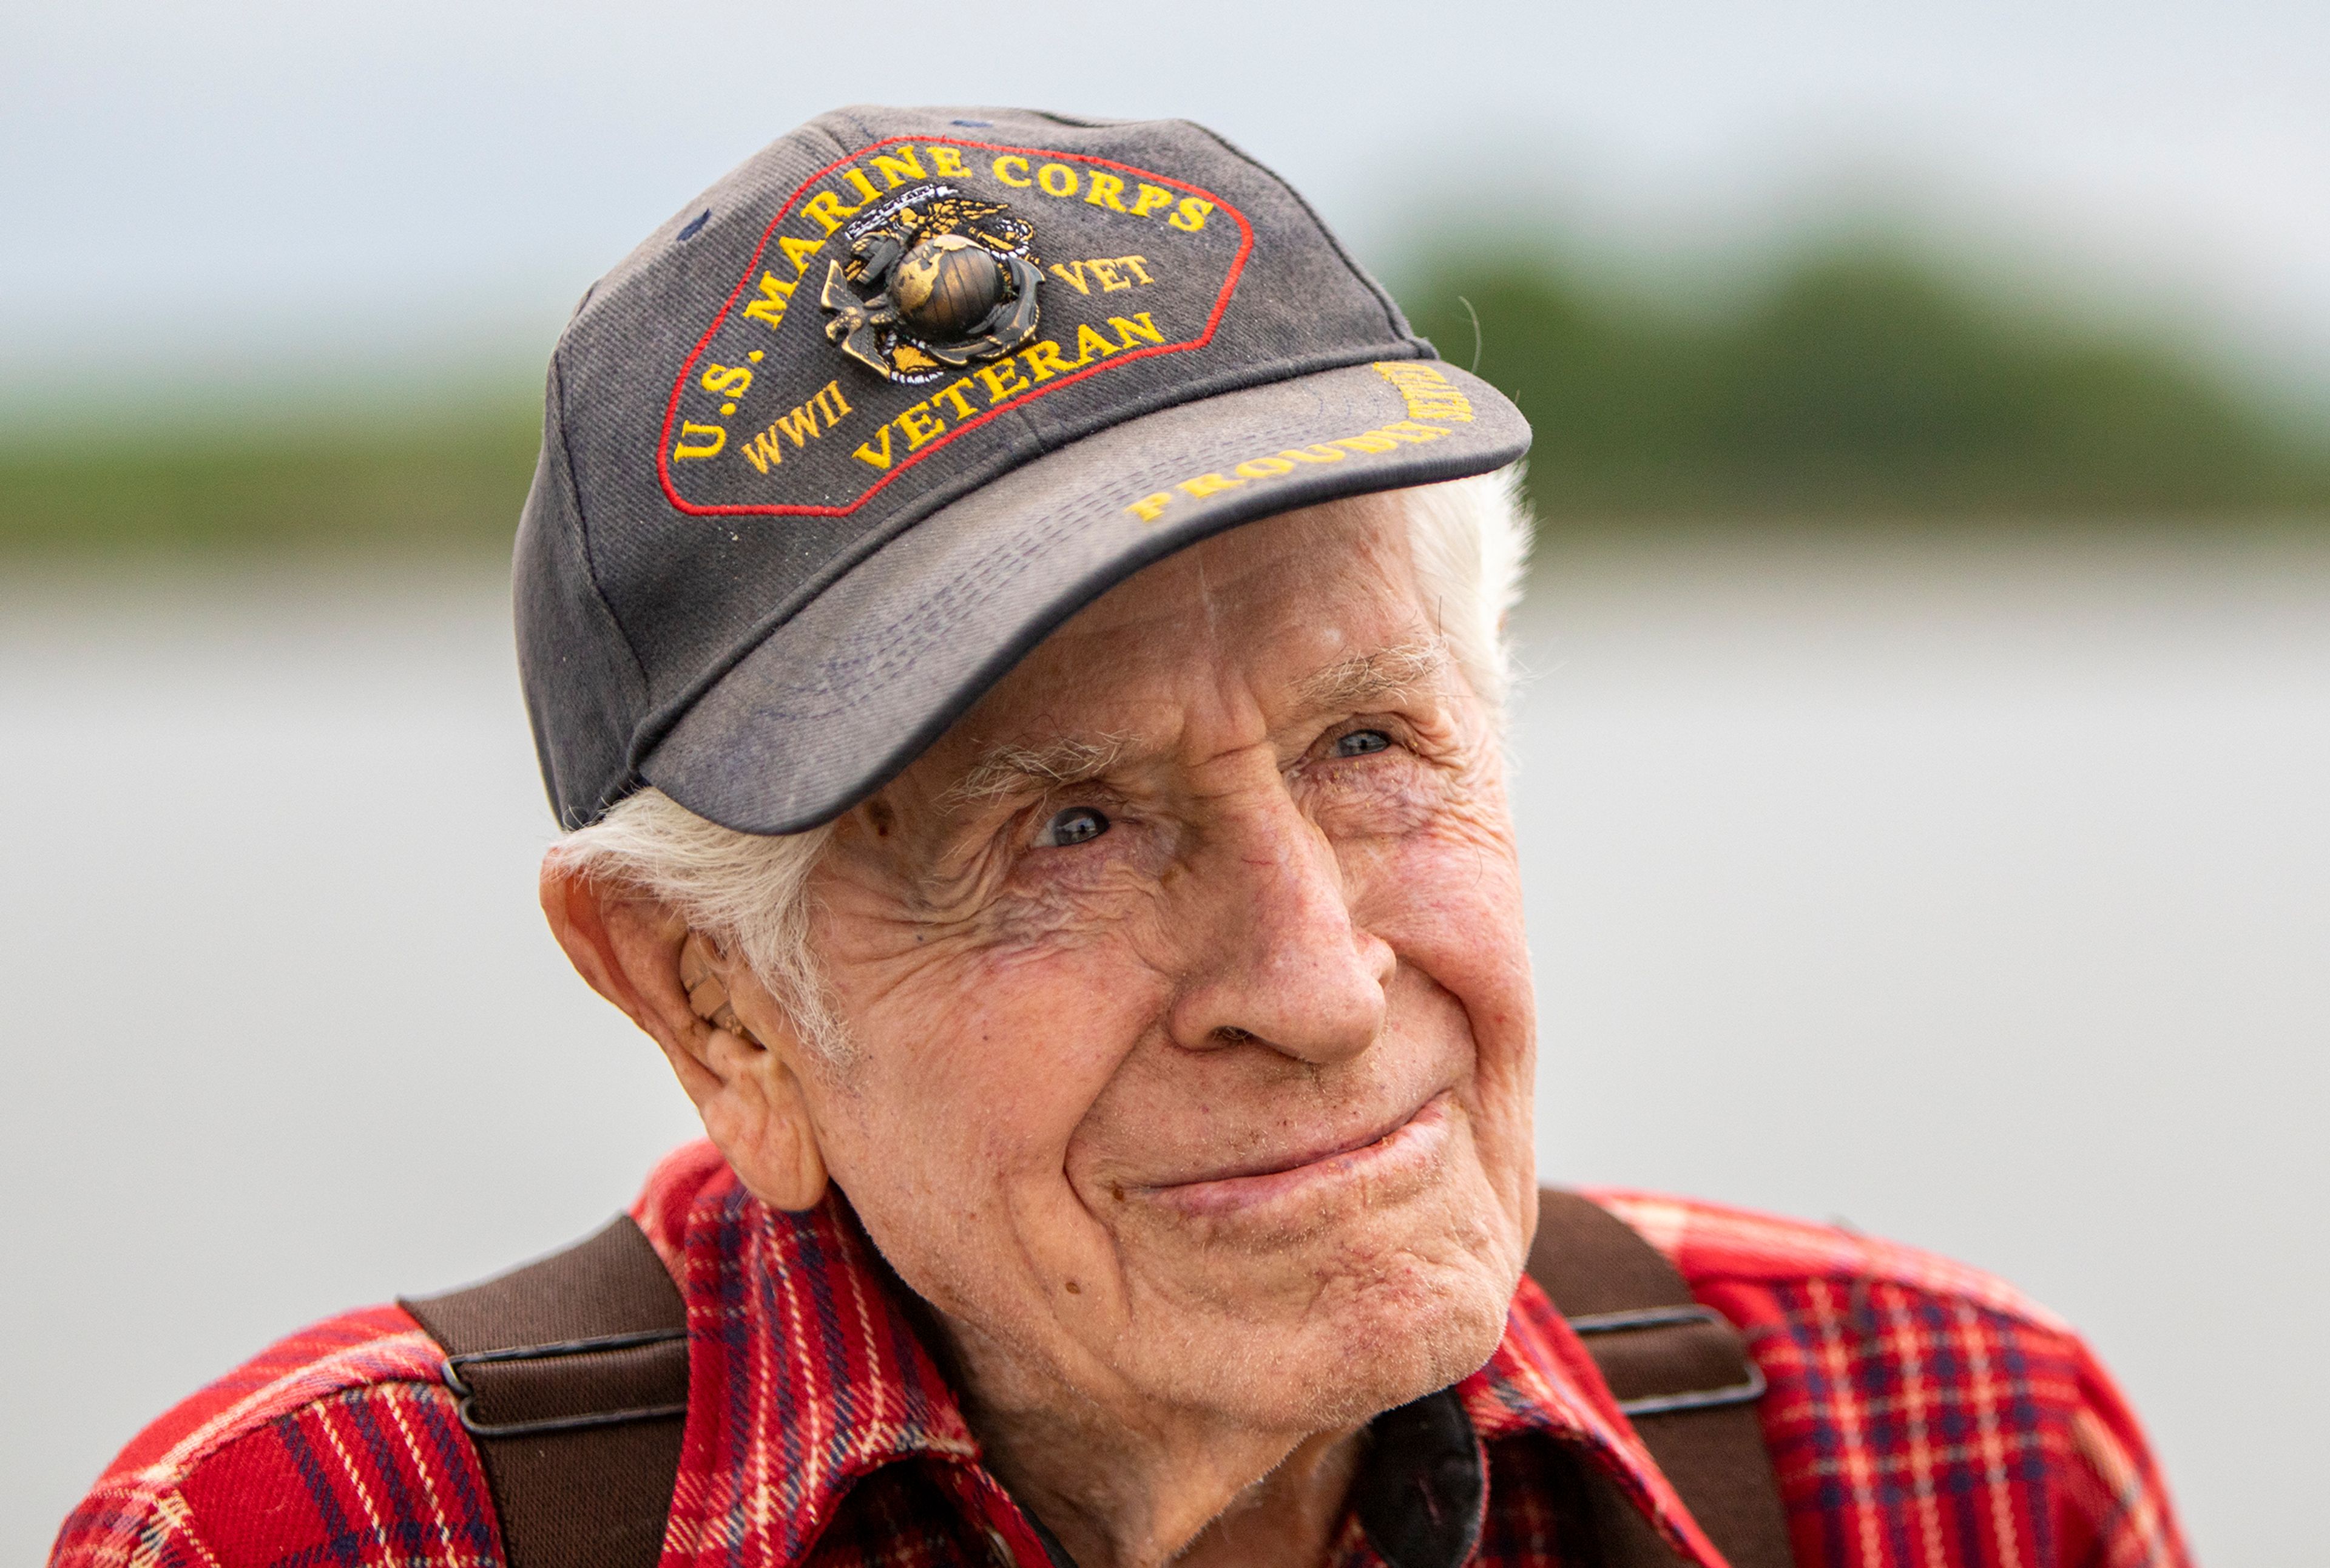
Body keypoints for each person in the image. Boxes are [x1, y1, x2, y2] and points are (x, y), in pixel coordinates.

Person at [52, 106, 2191, 1568]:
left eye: (1369, 745)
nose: (1320, 980)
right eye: (1068, 825)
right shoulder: (308, 1536)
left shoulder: (1941, 1458)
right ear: (715, 1006)